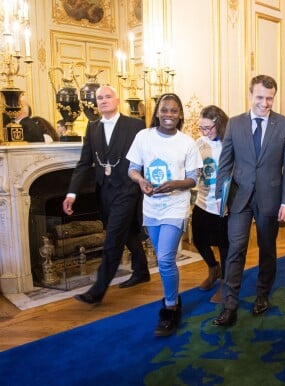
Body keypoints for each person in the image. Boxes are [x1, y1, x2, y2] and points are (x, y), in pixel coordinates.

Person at [212, 75, 285, 327]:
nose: (265, 103)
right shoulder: (235, 124)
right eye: (260, 97)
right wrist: (220, 195)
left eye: (269, 98)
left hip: (270, 198)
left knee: (267, 249)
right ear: (250, 95)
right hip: (239, 197)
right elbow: (225, 163)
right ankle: (230, 305)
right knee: (236, 248)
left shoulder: (284, 125)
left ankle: (262, 294)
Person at [63, 85, 150, 305]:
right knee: (128, 231)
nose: (103, 100)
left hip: (128, 188)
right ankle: (141, 271)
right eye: (99, 98)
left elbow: (146, 155)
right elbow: (84, 164)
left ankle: (98, 290)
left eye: (107, 96)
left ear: (117, 99)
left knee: (113, 239)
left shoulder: (135, 125)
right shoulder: (92, 128)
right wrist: (71, 194)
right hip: (104, 191)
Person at [126, 93, 203, 336]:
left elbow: (193, 179)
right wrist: (140, 181)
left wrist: (174, 184)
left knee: (166, 259)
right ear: (157, 112)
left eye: (174, 111)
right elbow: (133, 169)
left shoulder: (187, 143)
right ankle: (174, 300)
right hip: (151, 207)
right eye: (164, 110)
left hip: (175, 205)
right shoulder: (143, 137)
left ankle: (170, 308)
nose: (169, 114)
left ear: (180, 115)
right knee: (161, 260)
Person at [192, 105, 230, 303]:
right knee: (198, 239)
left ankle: (225, 282)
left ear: (219, 123)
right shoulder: (199, 143)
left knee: (223, 244)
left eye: (209, 128)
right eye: (202, 128)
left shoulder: (229, 142)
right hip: (203, 199)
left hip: (223, 201)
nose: (205, 132)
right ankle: (213, 268)